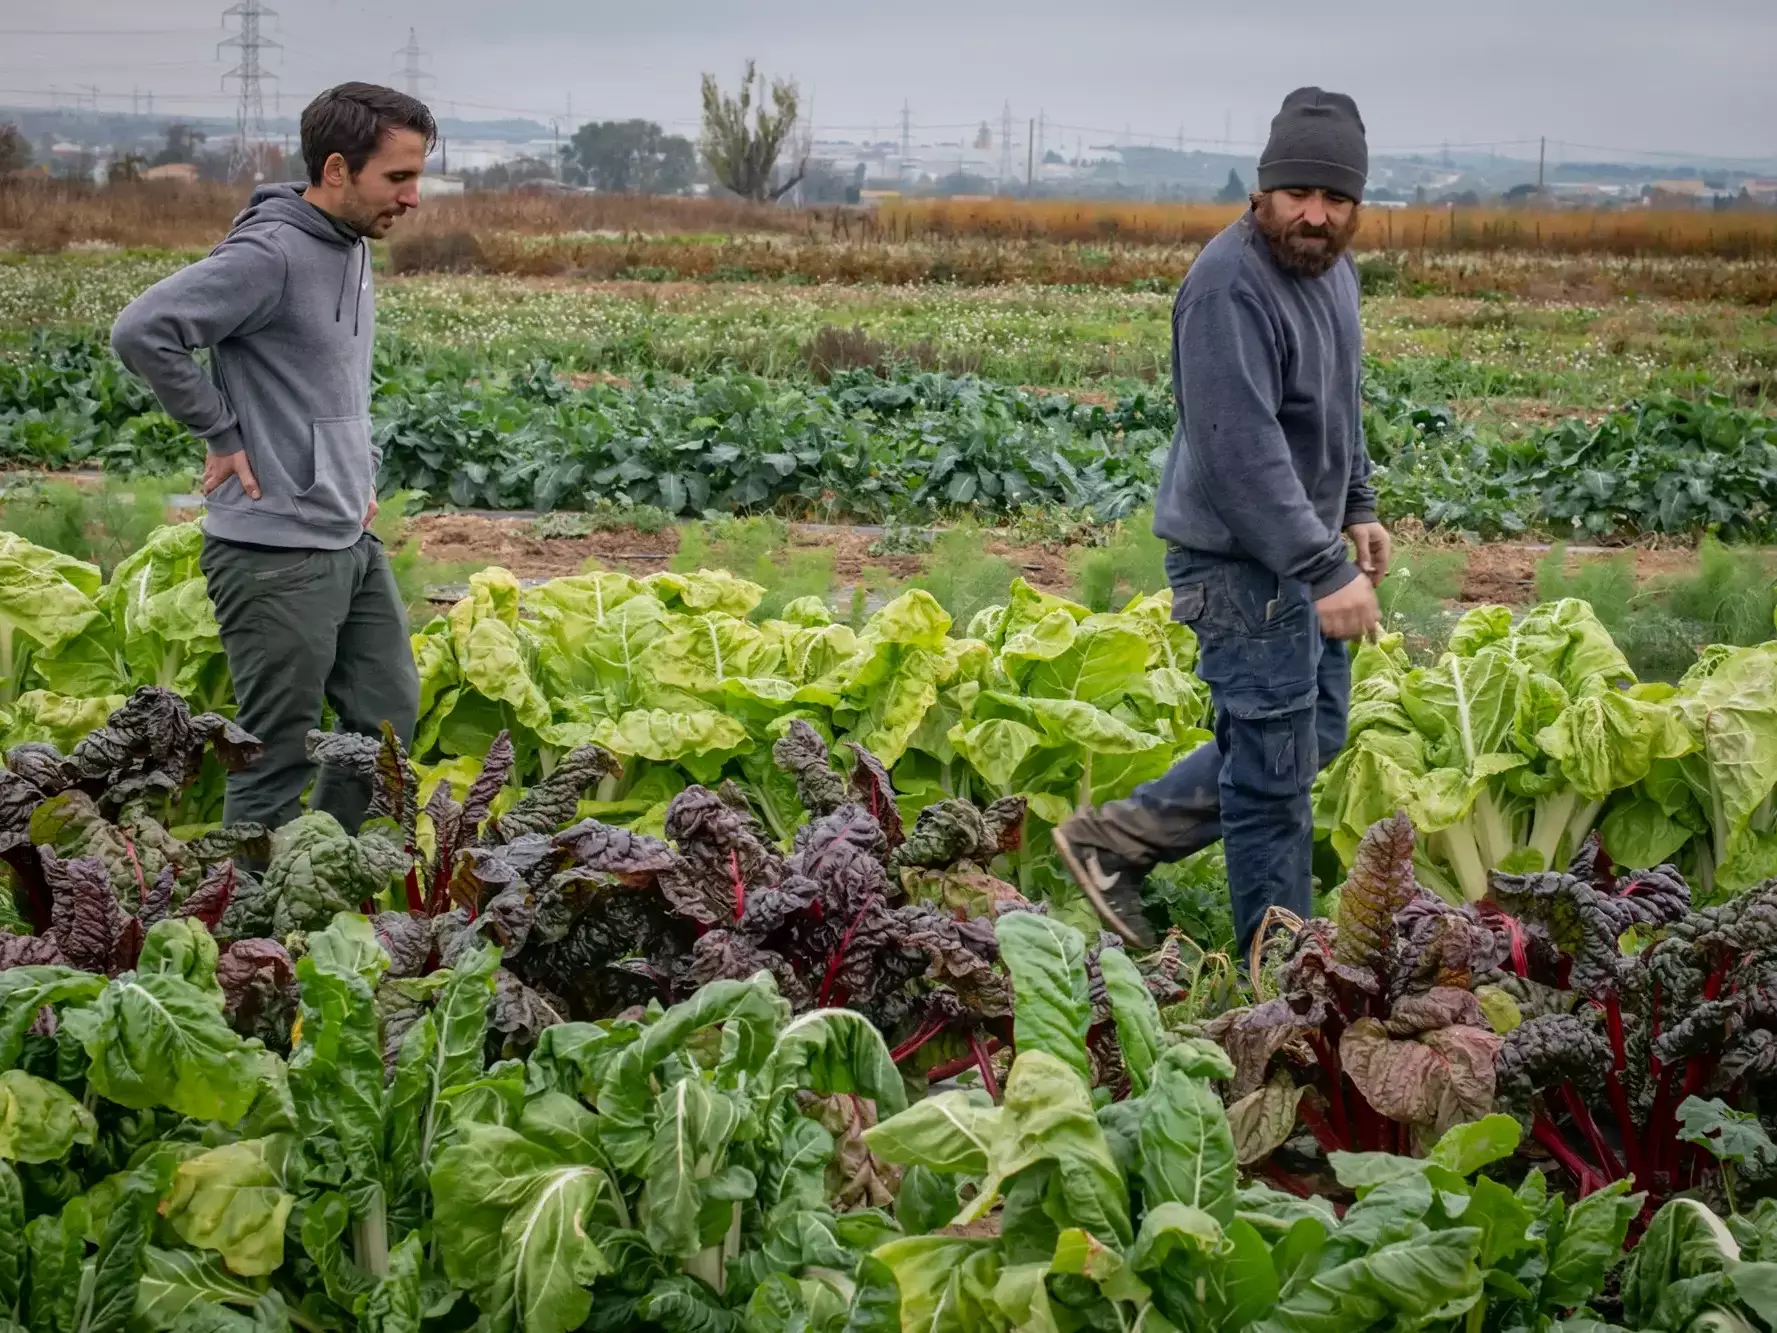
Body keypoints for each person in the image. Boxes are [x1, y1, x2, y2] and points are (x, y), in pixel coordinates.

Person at [1052, 87, 1388, 959]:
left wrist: (1356, 503)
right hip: (1239, 566)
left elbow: (1336, 400)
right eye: (1297, 194)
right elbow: (1240, 455)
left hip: (1297, 552)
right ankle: (1279, 984)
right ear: (1260, 189)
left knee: (1308, 737)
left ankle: (1114, 839)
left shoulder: (1330, 270)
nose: (1314, 215)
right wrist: (1323, 569)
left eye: (1335, 198)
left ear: (1356, 203)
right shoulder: (1227, 288)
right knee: (1274, 781)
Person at [111, 82, 434, 833]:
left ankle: (323, 875)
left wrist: (354, 465)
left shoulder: (349, 245)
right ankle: (250, 933)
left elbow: (330, 381)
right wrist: (220, 430)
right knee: (274, 755)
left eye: (417, 175)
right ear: (334, 170)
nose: (413, 197)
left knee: (383, 728)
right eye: (396, 178)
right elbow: (141, 330)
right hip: (274, 550)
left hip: (347, 534)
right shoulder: (271, 253)